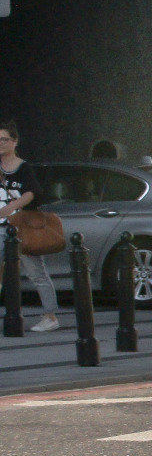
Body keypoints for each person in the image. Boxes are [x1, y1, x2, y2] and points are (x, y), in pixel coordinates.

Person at [0, 120, 59, 332]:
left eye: (4, 139)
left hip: (22, 227)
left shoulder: (23, 167)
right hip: (0, 227)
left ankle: (50, 316)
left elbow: (32, 192)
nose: (1, 144)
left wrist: (13, 206)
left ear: (14, 142)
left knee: (36, 272)